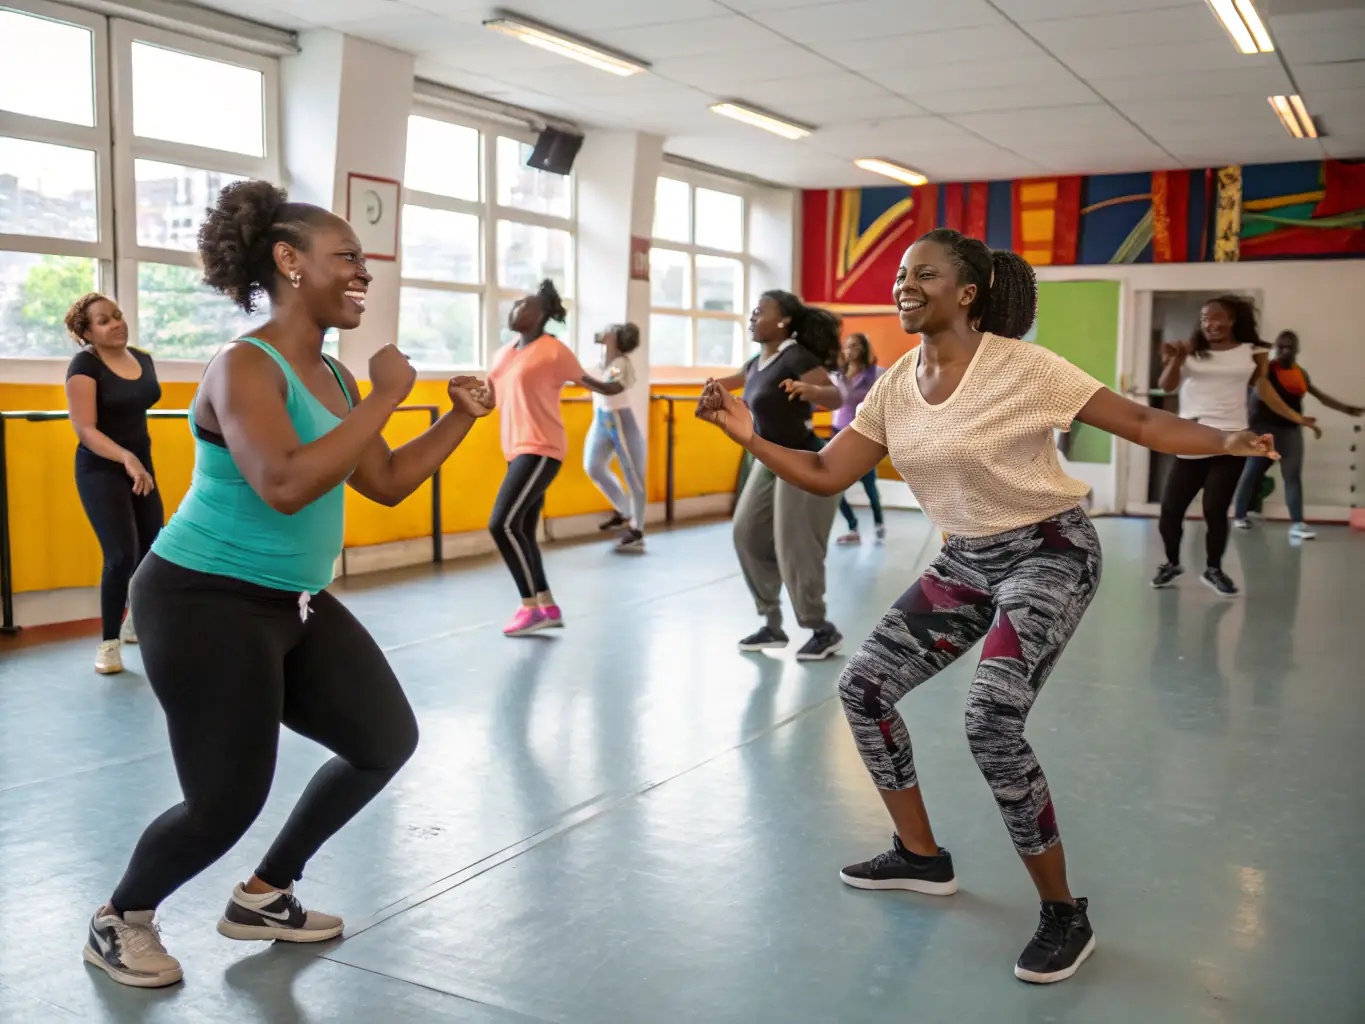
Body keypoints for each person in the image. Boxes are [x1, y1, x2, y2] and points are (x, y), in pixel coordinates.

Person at [695, 227, 1276, 984]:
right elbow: (825, 471)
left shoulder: (1022, 368)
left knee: (991, 721)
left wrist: (1224, 440)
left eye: (922, 274)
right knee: (863, 688)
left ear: (965, 292)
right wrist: (748, 435)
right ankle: (920, 857)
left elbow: (1135, 421)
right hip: (966, 560)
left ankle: (1064, 911)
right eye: (900, 274)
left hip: (1048, 552)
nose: (904, 284)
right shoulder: (897, 383)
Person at [83, 180, 494, 990]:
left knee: (383, 741)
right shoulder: (243, 366)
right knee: (223, 803)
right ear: (288, 262)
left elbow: (380, 479)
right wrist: (386, 396)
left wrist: (456, 419)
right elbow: (281, 482)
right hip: (203, 599)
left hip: (292, 599)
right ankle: (119, 918)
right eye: (347, 257)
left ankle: (266, 894)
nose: (362, 274)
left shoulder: (336, 380)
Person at [708, 290, 845, 661]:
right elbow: (734, 381)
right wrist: (710, 389)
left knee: (794, 545)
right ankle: (771, 622)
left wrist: (809, 389)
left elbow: (835, 396)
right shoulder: (757, 361)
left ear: (782, 320)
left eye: (759, 311)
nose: (752, 316)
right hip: (766, 460)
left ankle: (821, 629)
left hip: (800, 459)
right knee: (746, 532)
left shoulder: (795, 356)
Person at [486, 280, 624, 636]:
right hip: (514, 448)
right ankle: (547, 604)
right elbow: (489, 396)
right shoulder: (503, 353)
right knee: (523, 530)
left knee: (501, 524)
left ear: (543, 315)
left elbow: (595, 384)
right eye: (514, 304)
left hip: (542, 448)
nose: (516, 309)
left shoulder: (553, 350)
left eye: (525, 305)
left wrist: (619, 380)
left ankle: (530, 607)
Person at [1151, 295, 1299, 596]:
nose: (1210, 323)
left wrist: (1296, 417)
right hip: (1191, 437)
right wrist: (1177, 358)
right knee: (1170, 509)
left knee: (1215, 509)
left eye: (1217, 317)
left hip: (1232, 440)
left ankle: (1213, 568)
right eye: (1205, 317)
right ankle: (1171, 562)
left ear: (1232, 320)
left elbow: (1264, 388)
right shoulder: (1190, 349)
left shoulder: (1252, 351)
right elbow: (1167, 385)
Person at [63, 294, 163, 675]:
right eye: (104, 321)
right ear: (87, 332)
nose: (117, 324)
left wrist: (137, 461)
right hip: (101, 467)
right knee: (121, 555)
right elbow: (86, 430)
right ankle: (108, 644)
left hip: (140, 465)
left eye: (118, 316)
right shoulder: (84, 366)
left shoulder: (143, 359)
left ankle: (134, 621)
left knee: (153, 550)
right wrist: (125, 457)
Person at [1233, 329, 1362, 539]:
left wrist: (1346, 409)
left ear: (1297, 349)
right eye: (1280, 346)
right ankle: (1239, 516)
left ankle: (1298, 524)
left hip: (1290, 431)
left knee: (1292, 476)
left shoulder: (1299, 373)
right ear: (1275, 348)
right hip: (1264, 429)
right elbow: (1259, 398)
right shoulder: (1266, 371)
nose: (1284, 351)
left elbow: (1320, 396)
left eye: (1289, 347)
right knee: (1252, 472)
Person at [584, 322, 648, 553]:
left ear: (616, 339)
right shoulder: (603, 362)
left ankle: (637, 529)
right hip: (601, 419)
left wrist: (580, 378)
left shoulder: (621, 363)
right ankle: (624, 510)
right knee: (593, 466)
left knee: (634, 476)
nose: (604, 331)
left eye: (608, 330)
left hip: (621, 421)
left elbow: (611, 388)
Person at [831, 333, 886, 545]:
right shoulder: (838, 374)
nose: (849, 350)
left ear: (863, 349)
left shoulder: (875, 373)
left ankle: (879, 524)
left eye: (854, 346)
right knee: (835, 487)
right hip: (838, 432)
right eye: (847, 346)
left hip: (863, 434)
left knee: (869, 484)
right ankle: (852, 526)